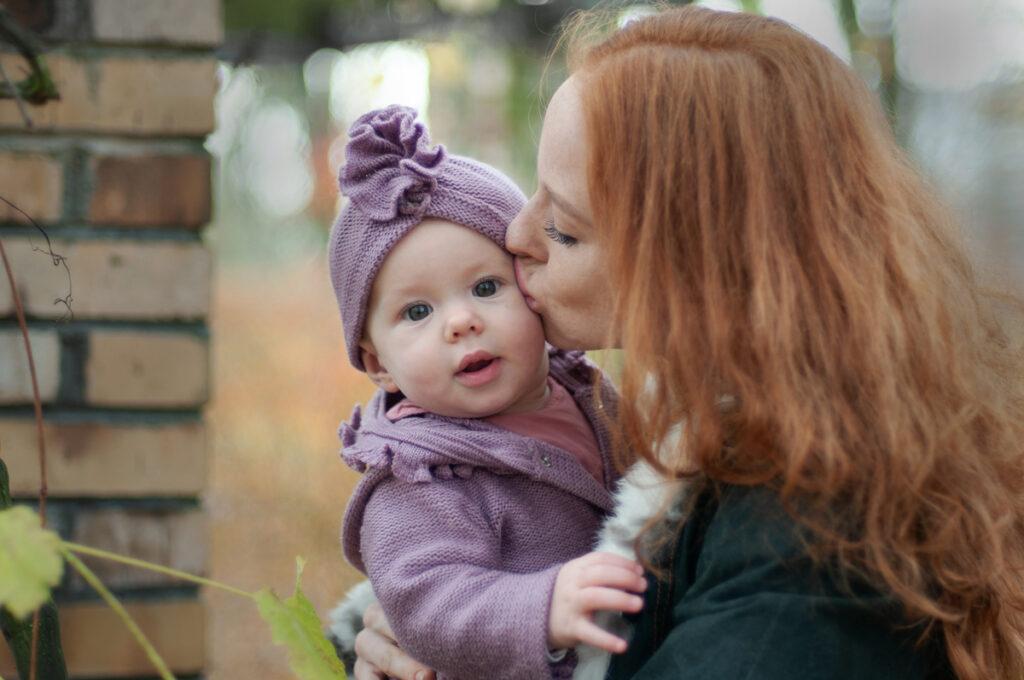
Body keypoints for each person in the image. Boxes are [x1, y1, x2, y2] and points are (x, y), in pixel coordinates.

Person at [347, 6, 1024, 680]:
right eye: (534, 193)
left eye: (565, 229)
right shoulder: (703, 438)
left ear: (692, 263)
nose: (515, 238)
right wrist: (421, 625)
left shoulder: (806, 560)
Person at [326, 105, 650, 680]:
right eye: (417, 311)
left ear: (530, 281)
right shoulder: (418, 478)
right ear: (379, 365)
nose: (461, 322)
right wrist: (543, 606)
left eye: (485, 286)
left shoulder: (584, 390)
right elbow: (428, 603)